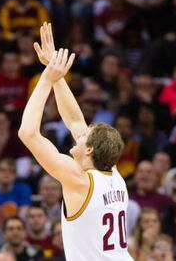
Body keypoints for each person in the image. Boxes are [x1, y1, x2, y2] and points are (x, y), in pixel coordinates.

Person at [18, 22, 133, 260]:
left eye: (84, 137)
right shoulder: (112, 173)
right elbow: (74, 119)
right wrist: (57, 73)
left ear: (89, 149)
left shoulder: (78, 180)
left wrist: (46, 79)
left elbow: (27, 133)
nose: (79, 135)